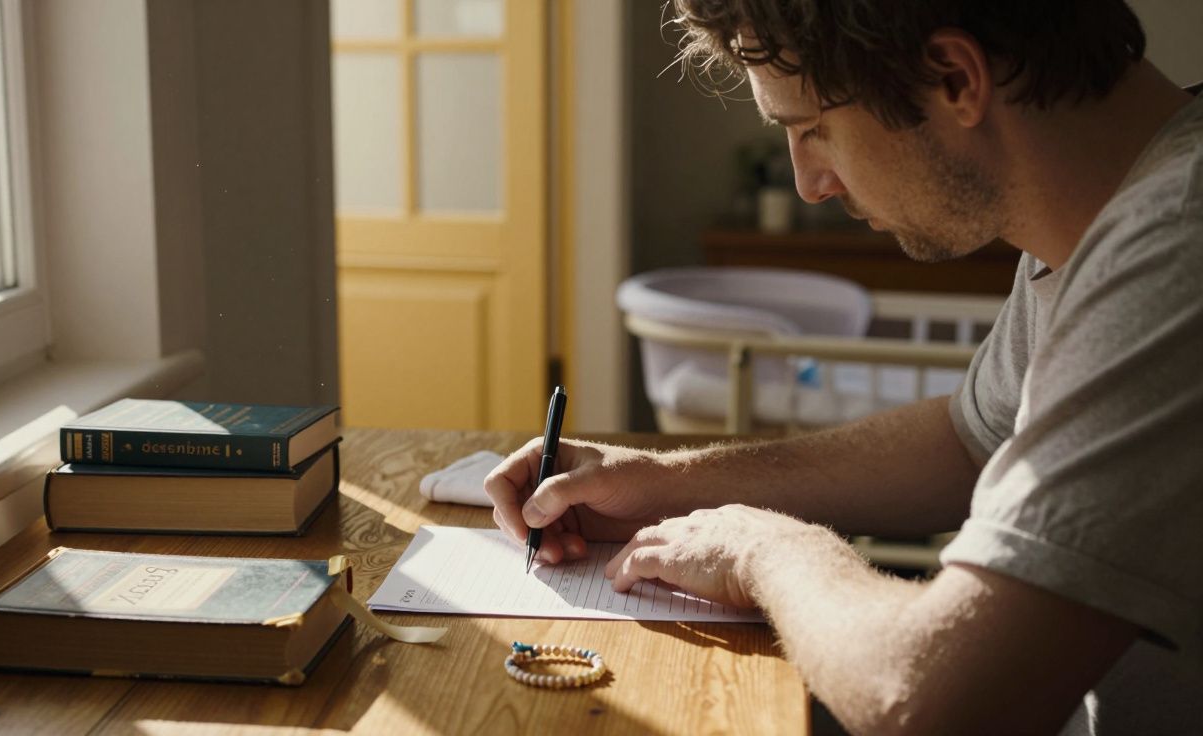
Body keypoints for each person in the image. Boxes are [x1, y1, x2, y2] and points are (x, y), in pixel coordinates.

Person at [485, 1, 1203, 733]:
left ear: (954, 78)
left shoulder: (1176, 244)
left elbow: (927, 699)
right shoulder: (1101, 214)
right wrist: (663, 484)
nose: (808, 183)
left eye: (811, 129)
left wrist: (762, 546)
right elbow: (970, 442)